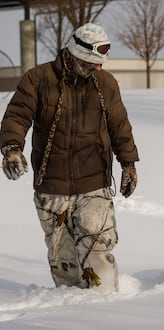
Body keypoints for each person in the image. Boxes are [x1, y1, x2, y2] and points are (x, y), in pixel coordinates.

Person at [0, 23, 139, 293]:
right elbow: (17, 116)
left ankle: (105, 306)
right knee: (64, 260)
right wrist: (12, 149)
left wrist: (129, 165)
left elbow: (120, 126)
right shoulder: (38, 80)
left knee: (98, 248)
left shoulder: (105, 84)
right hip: (52, 187)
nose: (96, 69)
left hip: (95, 184)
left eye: (100, 64)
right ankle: (73, 312)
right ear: (75, 54)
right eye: (90, 63)